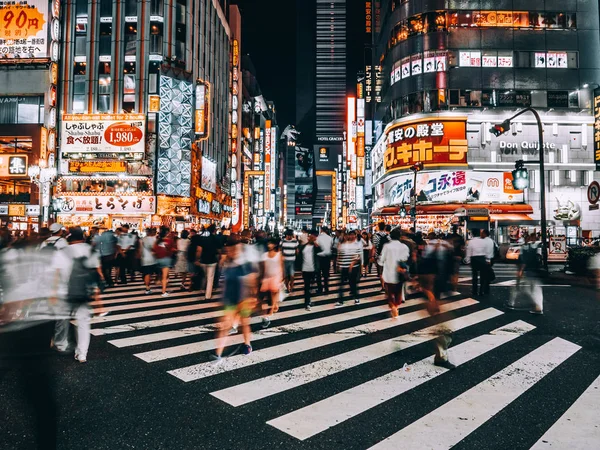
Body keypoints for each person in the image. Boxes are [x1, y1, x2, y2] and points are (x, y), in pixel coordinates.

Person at [50, 227, 102, 363]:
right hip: (83, 292)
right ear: (83, 237)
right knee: (83, 322)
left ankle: (61, 345)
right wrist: (97, 295)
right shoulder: (91, 250)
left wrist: (53, 292)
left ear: (69, 238)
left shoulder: (62, 252)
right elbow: (97, 273)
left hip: (64, 291)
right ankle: (82, 353)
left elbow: (55, 274)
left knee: (62, 320)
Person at [212, 235, 256, 363]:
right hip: (230, 298)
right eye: (229, 250)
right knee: (225, 325)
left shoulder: (245, 264)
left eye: (234, 250)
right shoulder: (228, 263)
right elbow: (225, 282)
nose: (232, 252)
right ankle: (218, 354)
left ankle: (248, 345)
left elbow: (251, 282)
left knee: (245, 324)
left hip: (244, 300)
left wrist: (252, 298)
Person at [380, 228, 411, 318]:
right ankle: (396, 306)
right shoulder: (404, 247)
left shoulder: (386, 246)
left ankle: (393, 307)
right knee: (398, 292)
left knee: (390, 293)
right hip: (399, 273)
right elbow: (405, 258)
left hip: (388, 273)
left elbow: (382, 259)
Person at [260, 238, 283, 328]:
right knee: (266, 293)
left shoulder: (279, 254)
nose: (269, 245)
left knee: (273, 293)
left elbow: (281, 266)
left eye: (271, 243)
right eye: (268, 243)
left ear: (275, 245)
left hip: (276, 276)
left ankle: (271, 311)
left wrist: (282, 277)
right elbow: (262, 267)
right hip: (267, 276)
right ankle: (275, 305)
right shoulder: (264, 255)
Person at [336, 230, 363, 307]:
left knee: (353, 284)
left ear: (355, 236)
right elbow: (339, 255)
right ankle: (340, 300)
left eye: (353, 235)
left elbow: (359, 257)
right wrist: (338, 265)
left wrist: (353, 264)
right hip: (344, 267)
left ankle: (356, 298)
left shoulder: (357, 245)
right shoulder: (343, 245)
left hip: (353, 268)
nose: (351, 236)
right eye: (349, 235)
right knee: (341, 284)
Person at [465, 228, 495, 296]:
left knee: (474, 276)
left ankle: (474, 291)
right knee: (483, 276)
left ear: (472, 234)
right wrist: (488, 260)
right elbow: (487, 251)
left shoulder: (471, 241)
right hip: (482, 258)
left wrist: (468, 260)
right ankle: (481, 291)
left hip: (474, 259)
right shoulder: (483, 241)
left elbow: (469, 251)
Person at [197, 224, 222, 300]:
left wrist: (197, 259)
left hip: (203, 260)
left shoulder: (202, 238)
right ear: (214, 230)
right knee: (210, 278)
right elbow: (219, 250)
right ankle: (208, 296)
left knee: (204, 275)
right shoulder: (216, 238)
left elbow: (199, 250)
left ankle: (202, 289)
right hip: (212, 260)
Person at [298, 230, 320, 311]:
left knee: (310, 286)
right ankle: (307, 302)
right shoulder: (303, 247)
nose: (310, 238)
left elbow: (321, 252)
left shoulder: (316, 247)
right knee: (307, 286)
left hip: (313, 269)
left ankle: (308, 301)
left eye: (313, 237)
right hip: (305, 269)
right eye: (310, 237)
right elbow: (299, 257)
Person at [153, 226, 175, 297]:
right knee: (165, 277)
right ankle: (163, 291)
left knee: (161, 273)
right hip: (166, 259)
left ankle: (158, 281)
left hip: (158, 259)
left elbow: (154, 249)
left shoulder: (158, 240)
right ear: (167, 232)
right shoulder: (170, 241)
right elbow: (172, 249)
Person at [371, 222, 390, 291]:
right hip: (387, 256)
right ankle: (387, 284)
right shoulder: (388, 236)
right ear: (384, 227)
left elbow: (374, 247)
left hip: (379, 256)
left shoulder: (376, 236)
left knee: (380, 272)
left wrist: (372, 256)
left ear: (378, 227)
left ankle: (383, 286)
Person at [139, 228, 158, 294]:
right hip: (153, 259)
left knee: (147, 274)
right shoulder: (155, 239)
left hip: (145, 259)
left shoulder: (142, 239)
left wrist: (140, 257)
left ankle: (147, 287)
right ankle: (152, 282)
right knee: (151, 273)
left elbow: (140, 250)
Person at [316, 226, 333, 293]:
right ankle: (326, 289)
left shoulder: (318, 237)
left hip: (319, 257)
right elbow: (331, 246)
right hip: (327, 258)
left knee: (318, 274)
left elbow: (317, 245)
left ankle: (320, 289)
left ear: (321, 230)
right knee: (326, 275)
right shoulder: (330, 238)